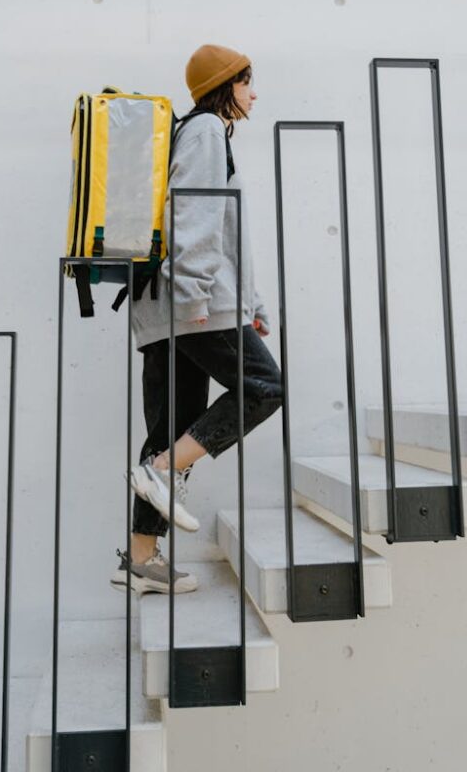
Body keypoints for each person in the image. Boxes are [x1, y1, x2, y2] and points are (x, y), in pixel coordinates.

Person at [110, 44, 283, 596]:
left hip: (163, 306)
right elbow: (200, 216)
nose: (254, 93)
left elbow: (215, 229)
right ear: (225, 85)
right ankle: (162, 471)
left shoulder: (193, 132)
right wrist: (196, 297)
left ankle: (141, 560)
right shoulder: (208, 130)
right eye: (247, 82)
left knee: (169, 426)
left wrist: (248, 306)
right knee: (264, 387)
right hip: (192, 303)